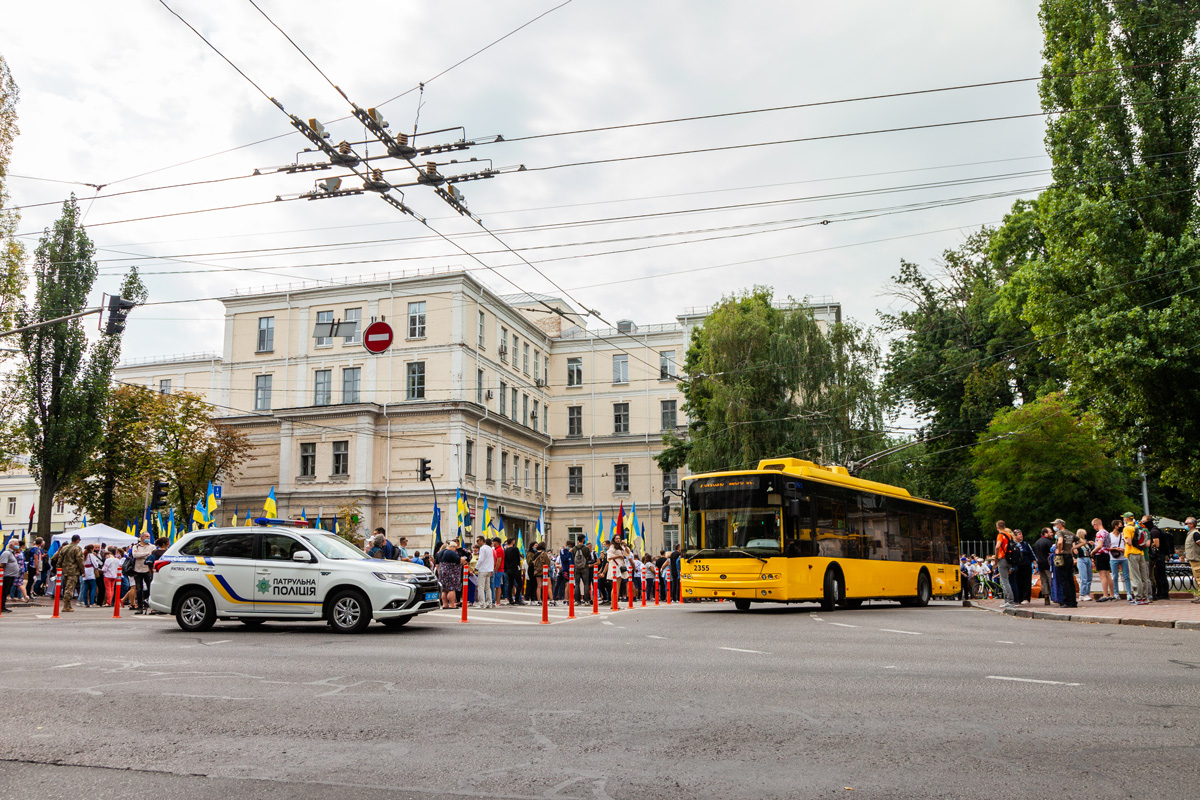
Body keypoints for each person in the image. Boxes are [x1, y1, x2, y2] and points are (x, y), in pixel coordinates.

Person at [1123, 512, 1150, 605]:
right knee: (1144, 577)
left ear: (1126, 519)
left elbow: (1129, 542)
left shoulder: (1127, 528)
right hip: (1141, 552)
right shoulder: (1138, 527)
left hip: (1132, 553)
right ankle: (1145, 597)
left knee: (1135, 577)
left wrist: (1125, 540)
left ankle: (1138, 598)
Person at [55, 534, 86, 612]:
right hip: (73, 571)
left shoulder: (64, 548)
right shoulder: (77, 548)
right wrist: (83, 571)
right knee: (70, 588)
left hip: (64, 570)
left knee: (66, 587)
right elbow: (80, 560)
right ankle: (66, 605)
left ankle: (68, 605)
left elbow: (59, 560)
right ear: (78, 540)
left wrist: (58, 569)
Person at [993, 520, 1018, 609]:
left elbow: (997, 546)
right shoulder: (1009, 535)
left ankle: (1009, 601)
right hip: (1009, 559)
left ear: (997, 527)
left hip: (1002, 558)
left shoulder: (1000, 535)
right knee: (1005, 580)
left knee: (1004, 580)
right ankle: (1008, 600)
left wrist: (996, 557)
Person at [130, 531, 155, 614]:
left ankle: (150, 605)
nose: (148, 538)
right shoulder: (136, 546)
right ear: (142, 537)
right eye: (146, 536)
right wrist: (147, 553)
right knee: (139, 589)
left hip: (148, 570)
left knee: (150, 588)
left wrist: (141, 554)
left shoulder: (152, 546)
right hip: (138, 569)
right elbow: (135, 555)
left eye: (149, 536)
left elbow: (152, 556)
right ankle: (140, 607)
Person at [1052, 521, 1077, 608]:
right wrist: (1073, 548)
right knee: (1070, 579)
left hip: (1062, 557)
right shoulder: (1070, 533)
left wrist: (1059, 550)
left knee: (1063, 579)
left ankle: (1067, 602)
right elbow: (1082, 542)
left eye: (1055, 524)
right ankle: (1073, 601)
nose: (1054, 526)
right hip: (1069, 556)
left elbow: (1060, 542)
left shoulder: (1060, 532)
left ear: (1060, 525)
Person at [435, 538, 465, 609]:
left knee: (444, 590)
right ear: (452, 547)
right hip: (451, 573)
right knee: (451, 589)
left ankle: (445, 604)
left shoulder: (440, 553)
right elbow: (458, 560)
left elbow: (436, 564)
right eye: (455, 547)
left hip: (442, 573)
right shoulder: (451, 553)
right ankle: (452, 604)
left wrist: (439, 572)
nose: (455, 549)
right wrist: (463, 559)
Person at [1091, 518, 1115, 601]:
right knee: (1108, 575)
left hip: (1100, 554)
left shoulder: (1099, 533)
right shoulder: (1107, 532)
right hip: (1106, 554)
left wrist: (1093, 551)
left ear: (1096, 524)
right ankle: (1112, 594)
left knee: (1102, 575)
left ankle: (1105, 595)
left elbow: (1100, 545)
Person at [1147, 518, 1171, 601]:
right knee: (1158, 574)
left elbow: (1156, 544)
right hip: (1160, 555)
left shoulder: (1154, 532)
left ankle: (1163, 593)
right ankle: (1162, 592)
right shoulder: (1156, 530)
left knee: (1159, 574)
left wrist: (1149, 544)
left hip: (1158, 556)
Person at [1032, 527, 1054, 605]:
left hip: (1040, 564)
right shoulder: (1049, 542)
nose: (1052, 534)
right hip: (1048, 564)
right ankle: (1054, 596)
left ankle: (1046, 597)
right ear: (1045, 533)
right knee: (1051, 580)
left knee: (1044, 581)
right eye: (1050, 532)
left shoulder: (1037, 542)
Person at [1012, 530, 1035, 604]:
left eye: (1021, 534)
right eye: (1019, 534)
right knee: (1018, 581)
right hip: (1018, 565)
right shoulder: (1013, 545)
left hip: (1026, 564)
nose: (1021, 535)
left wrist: (1034, 561)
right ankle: (1019, 597)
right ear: (1015, 536)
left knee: (1027, 581)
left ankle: (1026, 598)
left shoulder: (1026, 544)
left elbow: (1031, 553)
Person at [607, 535, 628, 607]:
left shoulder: (621, 546)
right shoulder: (612, 546)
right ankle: (614, 603)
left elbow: (627, 553)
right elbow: (609, 557)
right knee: (615, 585)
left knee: (618, 585)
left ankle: (614, 603)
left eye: (619, 538)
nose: (618, 540)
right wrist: (618, 556)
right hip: (615, 566)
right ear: (614, 539)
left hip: (620, 566)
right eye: (616, 538)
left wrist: (625, 546)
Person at [1184, 517, 1200, 604]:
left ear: (1192, 524)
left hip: (1197, 560)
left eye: (1186, 523)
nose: (1185, 525)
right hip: (1193, 560)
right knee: (1197, 579)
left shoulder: (1195, 534)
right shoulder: (1190, 533)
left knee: (1199, 578)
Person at [1073, 530, 1093, 602]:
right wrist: (1074, 546)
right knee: (1084, 577)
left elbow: (1089, 551)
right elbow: (1076, 552)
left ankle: (1087, 593)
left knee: (1089, 577)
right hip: (1081, 559)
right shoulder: (1076, 543)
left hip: (1088, 558)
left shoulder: (1086, 543)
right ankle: (1082, 594)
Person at [0, 539, 20, 612]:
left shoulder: (12, 553)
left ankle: (3, 606)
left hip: (11, 576)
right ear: (11, 545)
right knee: (4, 592)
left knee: (6, 592)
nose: (18, 545)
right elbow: (2, 564)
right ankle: (1, 607)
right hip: (6, 576)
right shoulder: (7, 553)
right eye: (16, 544)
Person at [503, 538, 524, 605]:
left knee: (510, 584)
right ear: (512, 542)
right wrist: (518, 568)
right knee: (519, 584)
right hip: (515, 569)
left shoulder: (506, 551)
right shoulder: (515, 549)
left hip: (508, 569)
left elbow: (505, 560)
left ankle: (510, 599)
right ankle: (517, 599)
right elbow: (518, 559)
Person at [475, 536, 495, 609]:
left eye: (478, 541)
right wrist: (491, 569)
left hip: (483, 569)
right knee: (487, 587)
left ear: (482, 540)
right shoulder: (490, 548)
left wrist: (476, 568)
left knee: (481, 587)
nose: (477, 542)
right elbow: (491, 560)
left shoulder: (483, 548)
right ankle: (489, 603)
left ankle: (482, 603)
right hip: (488, 569)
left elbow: (481, 559)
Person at [572, 539, 592, 603]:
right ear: (583, 539)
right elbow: (590, 558)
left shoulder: (574, 548)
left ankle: (577, 600)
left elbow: (573, 557)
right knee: (586, 584)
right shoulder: (586, 549)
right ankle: (586, 600)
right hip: (584, 567)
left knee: (577, 584)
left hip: (577, 567)